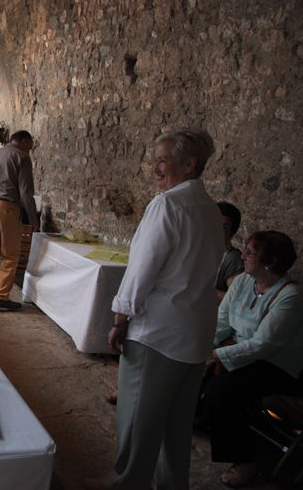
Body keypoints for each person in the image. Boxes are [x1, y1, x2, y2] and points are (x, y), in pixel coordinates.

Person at [106, 129, 224, 489]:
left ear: (189, 164)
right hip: (194, 331)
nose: (155, 168)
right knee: (176, 423)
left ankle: (128, 483)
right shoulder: (210, 209)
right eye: (154, 160)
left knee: (138, 419)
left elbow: (142, 271)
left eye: (162, 160)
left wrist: (120, 318)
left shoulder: (167, 205)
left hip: (157, 333)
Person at [201, 231, 302, 487]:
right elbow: (222, 320)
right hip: (242, 350)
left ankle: (244, 460)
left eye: (251, 252)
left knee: (221, 390)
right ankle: (203, 420)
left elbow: (264, 344)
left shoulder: (289, 296)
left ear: (271, 261)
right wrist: (206, 347)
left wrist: (217, 355)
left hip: (277, 364)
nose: (243, 255)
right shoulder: (244, 282)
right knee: (196, 366)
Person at [0, 130, 40, 311]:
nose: (30, 149)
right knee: (9, 254)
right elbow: (25, 192)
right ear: (24, 141)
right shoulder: (22, 157)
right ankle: (2, 296)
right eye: (30, 145)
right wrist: (33, 220)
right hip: (7, 207)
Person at [216, 201, 244, 301]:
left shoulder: (232, 258)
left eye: (225, 227)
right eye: (215, 223)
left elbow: (234, 298)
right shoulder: (199, 250)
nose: (218, 229)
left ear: (232, 232)